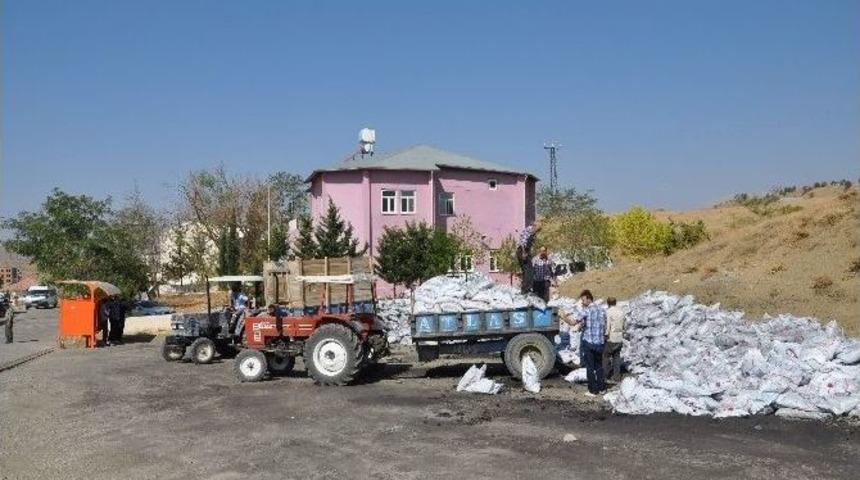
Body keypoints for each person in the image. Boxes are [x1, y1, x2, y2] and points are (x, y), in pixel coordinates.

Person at [575, 289, 606, 396]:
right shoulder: (601, 309)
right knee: (599, 366)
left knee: (590, 367)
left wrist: (563, 316)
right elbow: (603, 324)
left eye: (583, 300)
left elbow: (575, 320)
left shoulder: (587, 310)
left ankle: (593, 390)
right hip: (600, 343)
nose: (582, 302)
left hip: (589, 343)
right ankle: (602, 388)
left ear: (589, 299)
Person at [603, 297, 625, 382]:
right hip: (619, 337)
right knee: (616, 357)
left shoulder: (608, 312)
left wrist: (606, 335)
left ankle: (606, 375)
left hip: (611, 337)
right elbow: (624, 325)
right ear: (615, 303)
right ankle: (617, 376)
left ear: (608, 303)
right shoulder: (621, 311)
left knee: (606, 356)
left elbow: (608, 325)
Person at [516, 223, 539, 294]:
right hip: (522, 251)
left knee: (526, 271)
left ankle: (525, 289)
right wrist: (524, 253)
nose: (537, 232)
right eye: (538, 230)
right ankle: (526, 289)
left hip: (525, 251)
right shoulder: (529, 230)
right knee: (529, 270)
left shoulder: (532, 233)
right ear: (535, 226)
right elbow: (523, 242)